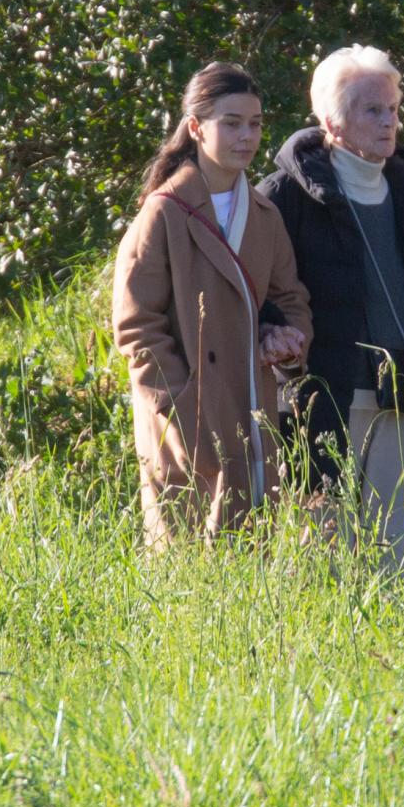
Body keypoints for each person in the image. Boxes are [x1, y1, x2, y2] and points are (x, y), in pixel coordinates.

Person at [258, 44, 404, 580]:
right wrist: (272, 333)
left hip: (403, 393)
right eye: (371, 110)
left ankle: (394, 658)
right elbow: (254, 287)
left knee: (396, 555)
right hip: (326, 392)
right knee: (323, 554)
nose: (388, 122)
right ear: (331, 120)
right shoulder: (285, 194)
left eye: (393, 109)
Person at [113, 61, 312, 547]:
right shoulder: (164, 211)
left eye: (256, 123)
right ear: (197, 128)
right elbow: (137, 327)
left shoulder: (265, 215)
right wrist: (179, 409)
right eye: (232, 123)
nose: (247, 136)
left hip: (251, 406)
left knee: (250, 567)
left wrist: (286, 340)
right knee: (184, 573)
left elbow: (291, 301)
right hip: (182, 423)